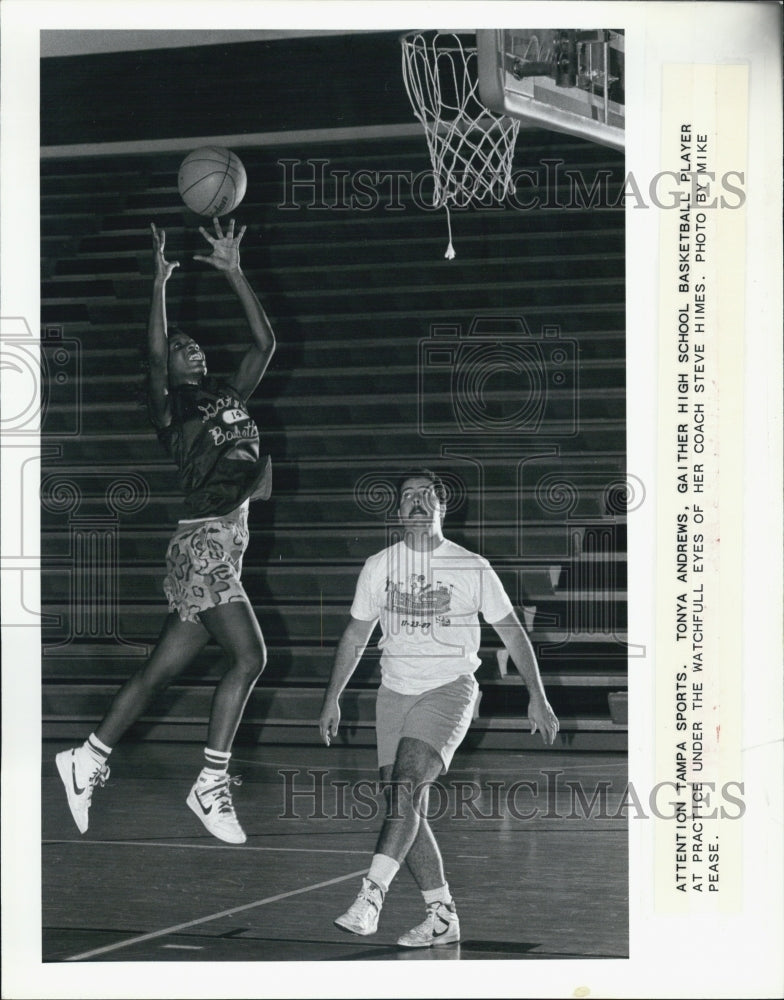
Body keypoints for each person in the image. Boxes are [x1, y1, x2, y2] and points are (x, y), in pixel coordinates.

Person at [56, 218, 276, 845]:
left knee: (159, 672)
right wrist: (160, 284)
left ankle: (89, 756)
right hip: (204, 540)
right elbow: (153, 354)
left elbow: (264, 345)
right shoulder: (172, 407)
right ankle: (210, 782)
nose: (193, 350)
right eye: (183, 348)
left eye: (196, 346)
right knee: (250, 656)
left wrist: (235, 273)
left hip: (222, 540)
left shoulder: (228, 393)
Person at [319, 469, 559, 947]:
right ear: (398, 509)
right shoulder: (379, 566)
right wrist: (332, 697)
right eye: (407, 496)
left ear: (442, 506)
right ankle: (441, 914)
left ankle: (371, 896)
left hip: (449, 689)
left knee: (405, 791)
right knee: (402, 806)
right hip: (394, 692)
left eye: (426, 495)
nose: (416, 503)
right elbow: (355, 635)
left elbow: (512, 631)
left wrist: (538, 694)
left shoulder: (471, 566)